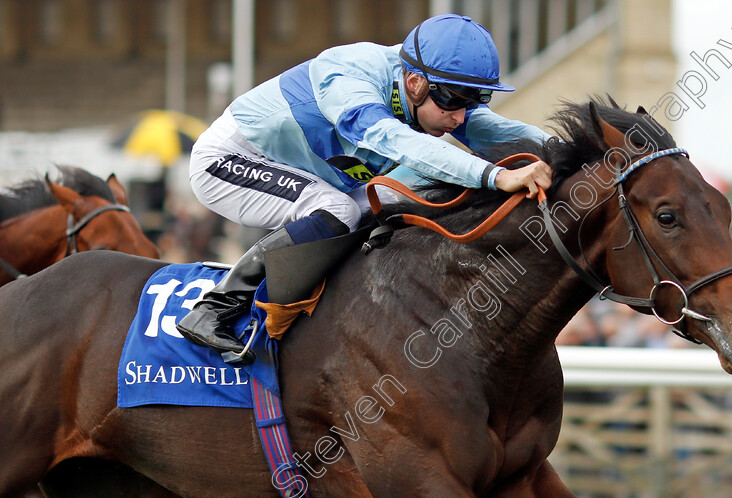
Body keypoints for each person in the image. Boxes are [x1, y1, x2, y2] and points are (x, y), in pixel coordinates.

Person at [176, 14, 553, 362]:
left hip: (306, 175)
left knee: (407, 198)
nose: (459, 116)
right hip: (228, 160)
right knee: (339, 210)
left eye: (474, 101)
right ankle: (216, 308)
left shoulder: (432, 92)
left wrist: (580, 151)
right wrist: (497, 176)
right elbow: (397, 142)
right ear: (415, 82)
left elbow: (500, 132)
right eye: (453, 101)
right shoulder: (350, 76)